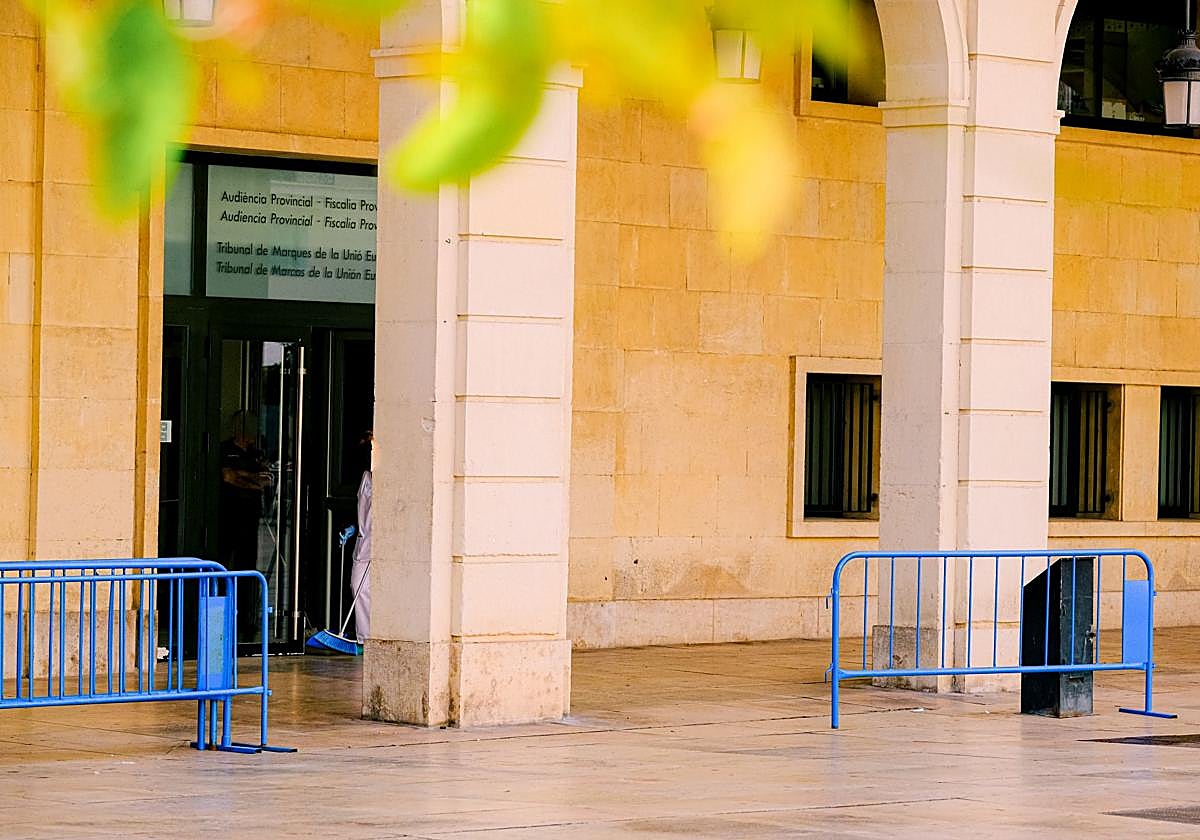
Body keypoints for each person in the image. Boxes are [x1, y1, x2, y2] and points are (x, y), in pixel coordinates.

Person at [349, 430, 372, 643]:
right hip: (364, 542)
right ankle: (364, 637)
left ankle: (369, 637)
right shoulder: (366, 478)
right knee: (358, 585)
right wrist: (353, 527)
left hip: (380, 543)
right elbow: (362, 511)